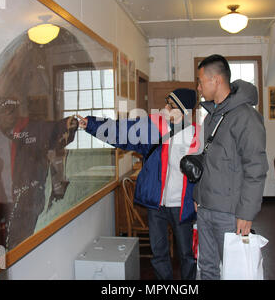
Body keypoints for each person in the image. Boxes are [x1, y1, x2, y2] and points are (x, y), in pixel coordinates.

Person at [77, 88, 199, 280]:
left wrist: (198, 198)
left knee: (186, 255)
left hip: (181, 206)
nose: (165, 108)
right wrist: (91, 125)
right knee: (159, 254)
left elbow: (204, 174)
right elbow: (120, 131)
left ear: (184, 111)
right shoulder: (154, 128)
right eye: (167, 103)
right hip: (156, 205)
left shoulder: (196, 136)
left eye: (171, 105)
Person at [194, 54, 268, 280]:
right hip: (205, 209)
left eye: (200, 81)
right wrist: (198, 196)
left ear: (215, 80)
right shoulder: (211, 117)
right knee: (206, 268)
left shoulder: (246, 117)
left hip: (229, 213)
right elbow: (208, 160)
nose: (198, 87)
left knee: (234, 271)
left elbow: (256, 168)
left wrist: (246, 212)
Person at [0, 97, 78, 250]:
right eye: (4, 112)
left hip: (27, 201)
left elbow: (51, 130)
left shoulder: (29, 129)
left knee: (23, 245)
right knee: (4, 246)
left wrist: (67, 124)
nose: (9, 115)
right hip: (2, 201)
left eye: (12, 111)